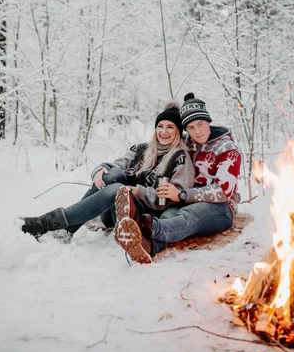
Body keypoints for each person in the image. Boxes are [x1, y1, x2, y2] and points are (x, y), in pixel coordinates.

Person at [21, 102, 195, 240]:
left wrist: (138, 191)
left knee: (117, 189)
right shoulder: (142, 149)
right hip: (112, 211)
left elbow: (175, 198)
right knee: (112, 175)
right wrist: (99, 170)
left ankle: (45, 224)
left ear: (178, 132)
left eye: (170, 127)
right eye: (160, 126)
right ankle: (66, 229)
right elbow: (115, 166)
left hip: (139, 216)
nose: (164, 132)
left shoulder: (180, 158)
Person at [114, 92, 242, 263]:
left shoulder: (227, 149)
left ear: (208, 121)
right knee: (171, 215)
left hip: (218, 207)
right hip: (182, 200)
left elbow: (222, 191)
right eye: (190, 127)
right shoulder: (185, 142)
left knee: (191, 215)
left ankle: (146, 226)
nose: (196, 131)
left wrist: (182, 195)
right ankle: (148, 246)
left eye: (200, 124)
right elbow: (161, 141)